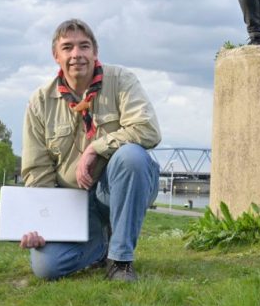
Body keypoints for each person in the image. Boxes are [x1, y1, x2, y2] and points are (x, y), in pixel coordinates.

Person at [20, 19, 162, 282]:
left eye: (84, 46)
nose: (77, 55)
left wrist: (96, 148)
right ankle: (100, 247)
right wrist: (41, 222)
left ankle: (120, 261)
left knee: (132, 157)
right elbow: (37, 171)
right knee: (47, 268)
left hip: (116, 189)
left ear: (95, 52)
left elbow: (148, 129)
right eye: (68, 47)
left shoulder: (121, 80)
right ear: (56, 56)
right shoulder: (39, 102)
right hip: (72, 201)